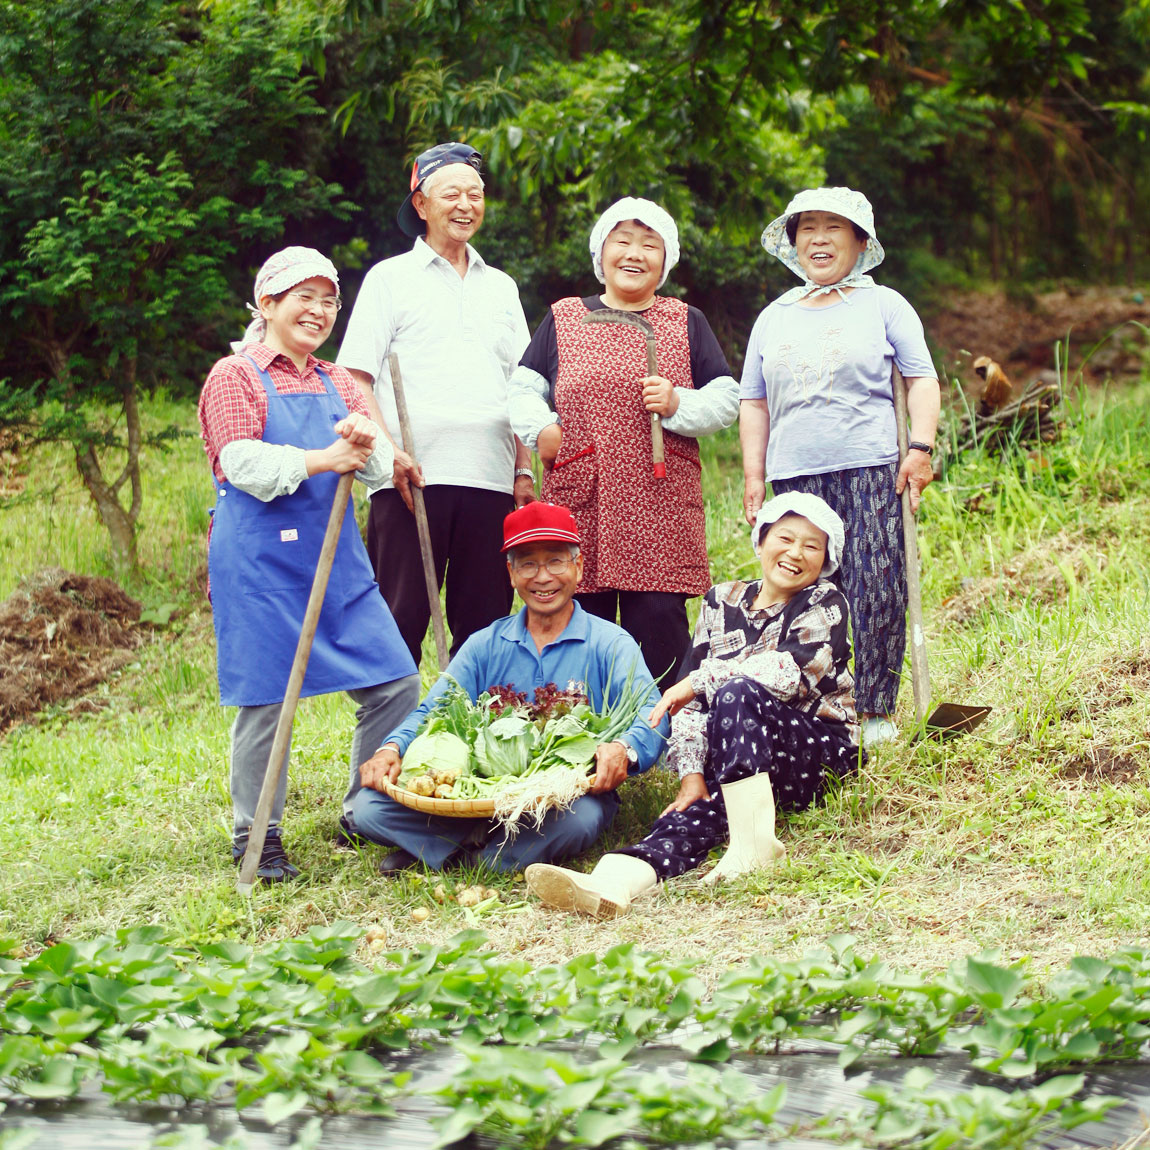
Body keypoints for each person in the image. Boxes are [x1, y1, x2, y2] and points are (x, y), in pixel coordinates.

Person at [525, 493, 861, 919]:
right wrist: (691, 776)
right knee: (692, 811)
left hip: (817, 753)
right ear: (761, 540)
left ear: (826, 559)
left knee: (736, 691)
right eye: (786, 538)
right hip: (747, 766)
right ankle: (614, 882)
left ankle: (753, 844)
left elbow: (789, 673)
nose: (795, 553)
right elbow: (691, 706)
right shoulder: (721, 600)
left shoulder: (825, 601)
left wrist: (700, 680)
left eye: (812, 546)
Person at [198, 247, 420, 882]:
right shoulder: (234, 376)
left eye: (329, 301)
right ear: (267, 304)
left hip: (337, 559)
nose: (319, 311)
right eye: (305, 298)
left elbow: (377, 475)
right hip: (262, 562)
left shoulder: (337, 380)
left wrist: (368, 443)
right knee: (268, 700)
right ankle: (256, 835)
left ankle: (365, 807)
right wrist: (325, 457)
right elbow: (240, 464)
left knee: (395, 682)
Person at [351, 502, 669, 874]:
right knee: (367, 808)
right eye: (528, 564)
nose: (543, 577)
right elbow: (431, 711)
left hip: (559, 800)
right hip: (477, 793)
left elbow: (654, 714)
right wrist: (392, 747)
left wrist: (623, 749)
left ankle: (454, 853)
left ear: (578, 567)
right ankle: (490, 850)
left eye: (555, 561)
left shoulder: (610, 643)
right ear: (512, 574)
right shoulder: (485, 644)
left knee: (581, 819)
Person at [739, 187, 940, 746]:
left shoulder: (884, 304)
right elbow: (754, 402)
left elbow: (922, 378)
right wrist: (755, 477)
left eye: (835, 227)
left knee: (876, 585)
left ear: (860, 241)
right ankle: (816, 703)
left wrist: (919, 450)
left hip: (871, 466)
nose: (819, 239)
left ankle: (874, 711)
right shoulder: (772, 316)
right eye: (808, 228)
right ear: (793, 241)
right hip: (795, 477)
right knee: (802, 587)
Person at [508, 196, 739, 685]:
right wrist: (543, 431)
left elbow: (726, 399)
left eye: (649, 244)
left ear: (665, 259)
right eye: (623, 240)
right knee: (579, 612)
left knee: (658, 617)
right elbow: (523, 388)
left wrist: (678, 404)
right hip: (582, 490)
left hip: (657, 498)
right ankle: (586, 725)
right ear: (602, 252)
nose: (634, 253)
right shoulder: (565, 318)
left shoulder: (685, 320)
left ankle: (667, 731)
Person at [337, 141, 534, 667]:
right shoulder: (389, 279)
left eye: (476, 193)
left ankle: (473, 738)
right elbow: (355, 375)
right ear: (421, 205)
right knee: (400, 616)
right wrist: (389, 453)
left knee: (485, 622)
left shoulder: (502, 287)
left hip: (489, 478)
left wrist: (523, 467)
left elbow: (522, 383)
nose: (466, 204)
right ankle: (387, 740)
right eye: (451, 193)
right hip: (409, 478)